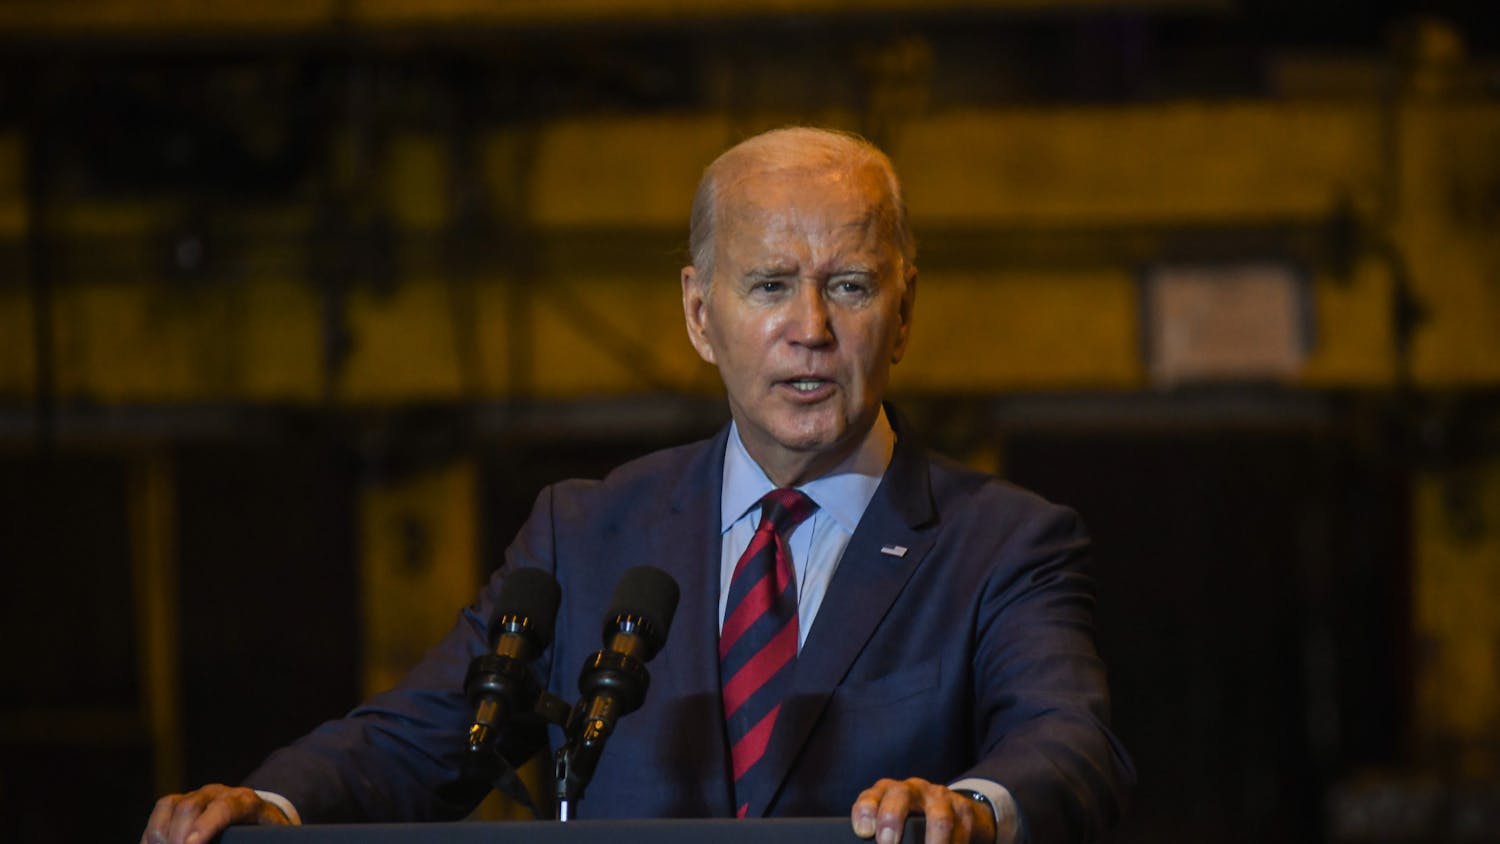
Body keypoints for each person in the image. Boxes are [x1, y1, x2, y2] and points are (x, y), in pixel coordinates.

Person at [141, 127, 1132, 844]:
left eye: (852, 285)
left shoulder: (1006, 543)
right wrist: (270, 807)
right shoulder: (586, 532)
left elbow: (1071, 744)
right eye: (770, 284)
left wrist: (974, 806)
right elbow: (424, 736)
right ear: (701, 315)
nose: (812, 329)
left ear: (904, 313)